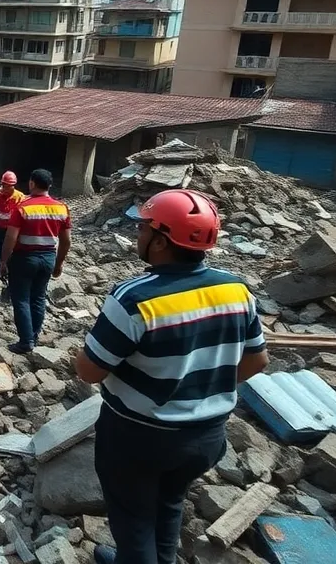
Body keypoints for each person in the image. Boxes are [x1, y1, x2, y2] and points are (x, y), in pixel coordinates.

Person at [74, 189, 270, 564]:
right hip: (206, 437)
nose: (138, 235)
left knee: (134, 521)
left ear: (161, 241)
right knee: (169, 502)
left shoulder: (134, 298)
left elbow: (89, 370)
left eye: (143, 228)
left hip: (139, 437)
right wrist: (199, 390)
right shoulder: (236, 290)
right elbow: (257, 360)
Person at [0, 169, 70, 355]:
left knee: (21, 299)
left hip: (24, 259)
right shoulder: (62, 208)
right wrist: (59, 263)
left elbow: (10, 238)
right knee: (38, 297)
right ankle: (34, 336)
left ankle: (25, 342)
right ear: (50, 185)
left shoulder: (22, 207)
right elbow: (66, 241)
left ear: (31, 183)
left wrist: (3, 261)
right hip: (48, 258)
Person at [0, 170, 24, 287]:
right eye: (3, 185)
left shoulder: (20, 197)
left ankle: (4, 272)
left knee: (6, 251)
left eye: (8, 186)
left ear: (13, 185)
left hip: (9, 230)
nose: (5, 188)